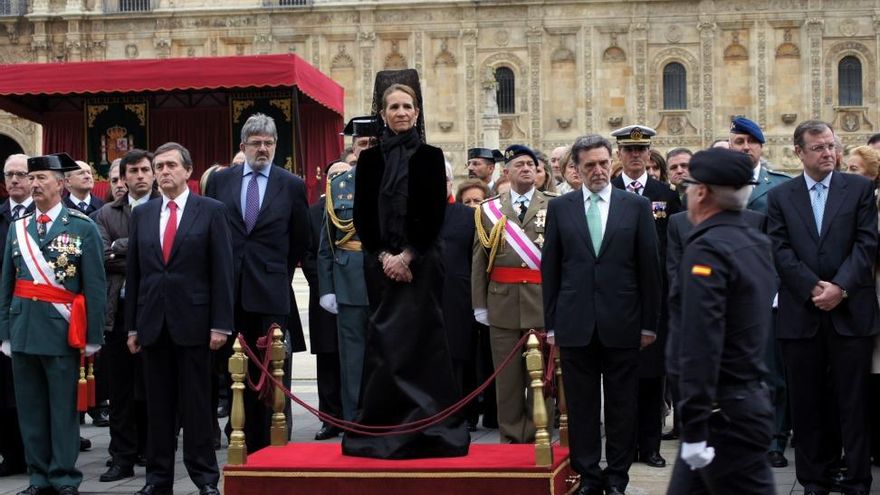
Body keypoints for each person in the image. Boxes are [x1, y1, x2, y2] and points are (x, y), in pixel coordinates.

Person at [346, 77, 468, 459]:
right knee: (384, 345)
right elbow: (363, 218)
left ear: (417, 113)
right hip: (380, 267)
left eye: (407, 107)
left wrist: (408, 256)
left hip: (423, 264)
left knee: (423, 342)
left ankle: (431, 427)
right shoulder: (369, 160)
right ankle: (382, 427)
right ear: (382, 114)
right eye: (393, 107)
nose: (401, 112)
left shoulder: (431, 157)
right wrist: (385, 257)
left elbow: (434, 215)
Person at [542, 134, 661, 495]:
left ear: (613, 163)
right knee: (581, 406)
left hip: (623, 322)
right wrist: (551, 326)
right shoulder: (562, 209)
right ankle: (589, 475)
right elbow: (552, 270)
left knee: (623, 404)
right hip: (575, 324)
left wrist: (649, 325)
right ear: (575, 169)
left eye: (603, 162)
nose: (598, 170)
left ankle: (618, 476)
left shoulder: (635, 206)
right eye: (590, 164)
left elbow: (649, 270)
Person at [767, 120, 878, 495]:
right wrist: (812, 286)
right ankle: (815, 478)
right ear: (799, 152)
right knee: (808, 403)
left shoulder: (860, 189)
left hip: (851, 314)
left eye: (831, 146)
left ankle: (858, 479)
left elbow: (866, 245)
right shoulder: (782, 196)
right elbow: (779, 249)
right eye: (818, 147)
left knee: (854, 403)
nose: (828, 153)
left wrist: (840, 288)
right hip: (802, 313)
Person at [666, 147, 777, 494]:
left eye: (689, 187)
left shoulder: (708, 249)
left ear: (701, 193)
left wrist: (696, 425)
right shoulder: (753, 241)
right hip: (737, 406)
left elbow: (702, 340)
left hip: (723, 415)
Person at [126, 142, 233, 495]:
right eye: (158, 166)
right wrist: (132, 326)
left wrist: (221, 323)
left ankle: (204, 478)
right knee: (158, 409)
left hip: (196, 326)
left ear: (188, 170)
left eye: (171, 165)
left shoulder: (211, 211)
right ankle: (158, 480)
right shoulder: (143, 214)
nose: (163, 171)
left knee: (197, 407)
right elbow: (136, 274)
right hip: (154, 326)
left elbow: (222, 272)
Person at [0, 152, 106, 495]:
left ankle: (63, 476)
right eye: (31, 178)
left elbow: (94, 286)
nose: (33, 184)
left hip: (62, 333)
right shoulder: (18, 228)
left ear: (61, 184)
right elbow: (6, 284)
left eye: (41, 178)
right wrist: (5, 332)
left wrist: (93, 336)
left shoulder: (81, 227)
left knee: (62, 410)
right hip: (23, 331)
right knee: (29, 411)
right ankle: (38, 476)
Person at [204, 113, 310, 452]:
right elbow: (215, 231)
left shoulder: (291, 184)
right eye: (256, 143)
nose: (262, 149)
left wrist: (273, 268)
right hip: (230, 292)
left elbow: (300, 239)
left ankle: (276, 444)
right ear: (243, 146)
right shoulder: (222, 182)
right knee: (237, 373)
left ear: (276, 146)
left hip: (270, 292)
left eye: (269, 143)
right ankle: (242, 441)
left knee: (274, 372)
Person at [472, 144, 556, 444]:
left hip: (541, 299)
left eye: (530, 165)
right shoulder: (490, 209)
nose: (525, 169)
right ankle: (510, 432)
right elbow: (479, 259)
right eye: (519, 164)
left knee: (540, 374)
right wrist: (480, 304)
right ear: (506, 172)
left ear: (538, 172)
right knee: (507, 376)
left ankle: (538, 431)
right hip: (502, 302)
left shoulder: (555, 205)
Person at [610, 124, 682, 469]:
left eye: (641, 151)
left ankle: (650, 446)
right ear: (619, 155)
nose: (636, 156)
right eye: (629, 150)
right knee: (619, 378)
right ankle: (622, 446)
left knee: (653, 377)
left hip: (655, 297)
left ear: (649, 155)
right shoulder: (606, 190)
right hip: (617, 297)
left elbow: (675, 244)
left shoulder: (665, 194)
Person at [728, 116, 792, 467]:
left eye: (750, 142)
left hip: (766, 292)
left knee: (770, 371)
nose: (745, 148)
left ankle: (775, 439)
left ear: (760, 147)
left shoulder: (779, 186)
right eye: (738, 142)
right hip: (726, 294)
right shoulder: (716, 186)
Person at [92, 149, 157, 482]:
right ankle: (122, 456)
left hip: (156, 310)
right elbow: (103, 256)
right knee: (119, 390)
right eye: (133, 171)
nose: (140, 176)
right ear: (124, 176)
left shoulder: (165, 208)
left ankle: (152, 448)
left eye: (146, 169)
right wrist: (142, 249)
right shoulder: (105, 214)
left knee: (151, 385)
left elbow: (167, 251)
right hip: (117, 312)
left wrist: (124, 246)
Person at [318, 116, 378, 429]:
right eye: (362, 144)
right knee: (353, 359)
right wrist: (327, 288)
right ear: (352, 149)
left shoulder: (394, 181)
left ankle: (389, 418)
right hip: (350, 279)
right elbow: (327, 243)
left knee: (390, 353)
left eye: (372, 144)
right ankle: (354, 421)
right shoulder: (339, 186)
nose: (367, 149)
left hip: (387, 279)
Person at [303, 161, 348, 440]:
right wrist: (325, 288)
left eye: (345, 175)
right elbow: (308, 255)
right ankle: (330, 418)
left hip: (357, 295)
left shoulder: (360, 209)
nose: (340, 179)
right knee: (328, 359)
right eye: (334, 175)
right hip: (324, 299)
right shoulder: (313, 213)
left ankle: (358, 416)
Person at [441, 161, 480, 431]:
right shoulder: (412, 216)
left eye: (442, 179)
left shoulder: (467, 217)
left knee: (459, 359)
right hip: (421, 302)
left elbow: (476, 261)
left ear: (450, 183)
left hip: (458, 298)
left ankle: (461, 414)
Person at [0, 154, 32, 478]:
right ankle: (11, 454)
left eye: (21, 174)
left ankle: (37, 453)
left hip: (35, 315)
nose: (14, 180)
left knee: (31, 390)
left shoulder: (44, 217)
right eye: (9, 174)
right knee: (3, 392)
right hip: (3, 315)